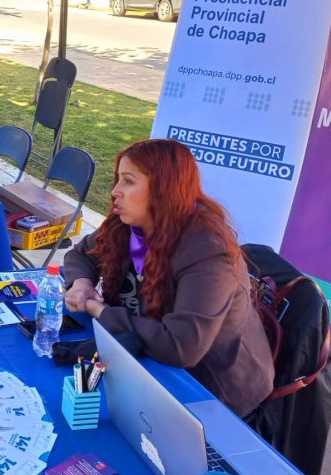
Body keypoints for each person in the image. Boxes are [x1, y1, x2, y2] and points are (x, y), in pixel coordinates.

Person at [63, 139, 274, 418]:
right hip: (145, 361)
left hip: (213, 391)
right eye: (118, 180)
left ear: (163, 188)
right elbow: (79, 255)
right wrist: (82, 284)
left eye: (128, 181)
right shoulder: (127, 225)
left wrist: (97, 309)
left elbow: (180, 346)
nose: (115, 191)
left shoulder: (208, 250)